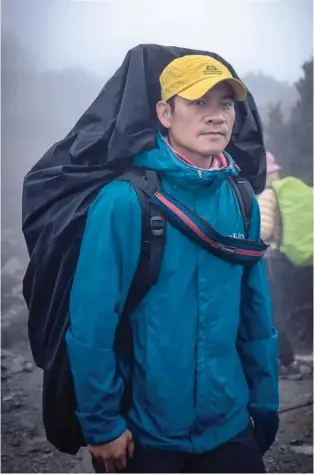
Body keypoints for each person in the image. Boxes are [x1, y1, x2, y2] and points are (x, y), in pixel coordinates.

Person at [66, 55, 279, 473]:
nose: (216, 117)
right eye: (198, 103)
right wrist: (102, 424)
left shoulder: (241, 199)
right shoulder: (125, 202)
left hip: (231, 423)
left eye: (226, 104)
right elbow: (92, 322)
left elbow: (256, 314)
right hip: (147, 430)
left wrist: (264, 404)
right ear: (164, 113)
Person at [258, 152, 302, 378]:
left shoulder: (266, 195)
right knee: (277, 310)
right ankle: (287, 360)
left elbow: (263, 230)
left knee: (271, 312)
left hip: (269, 260)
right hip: (281, 259)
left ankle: (286, 361)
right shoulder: (281, 193)